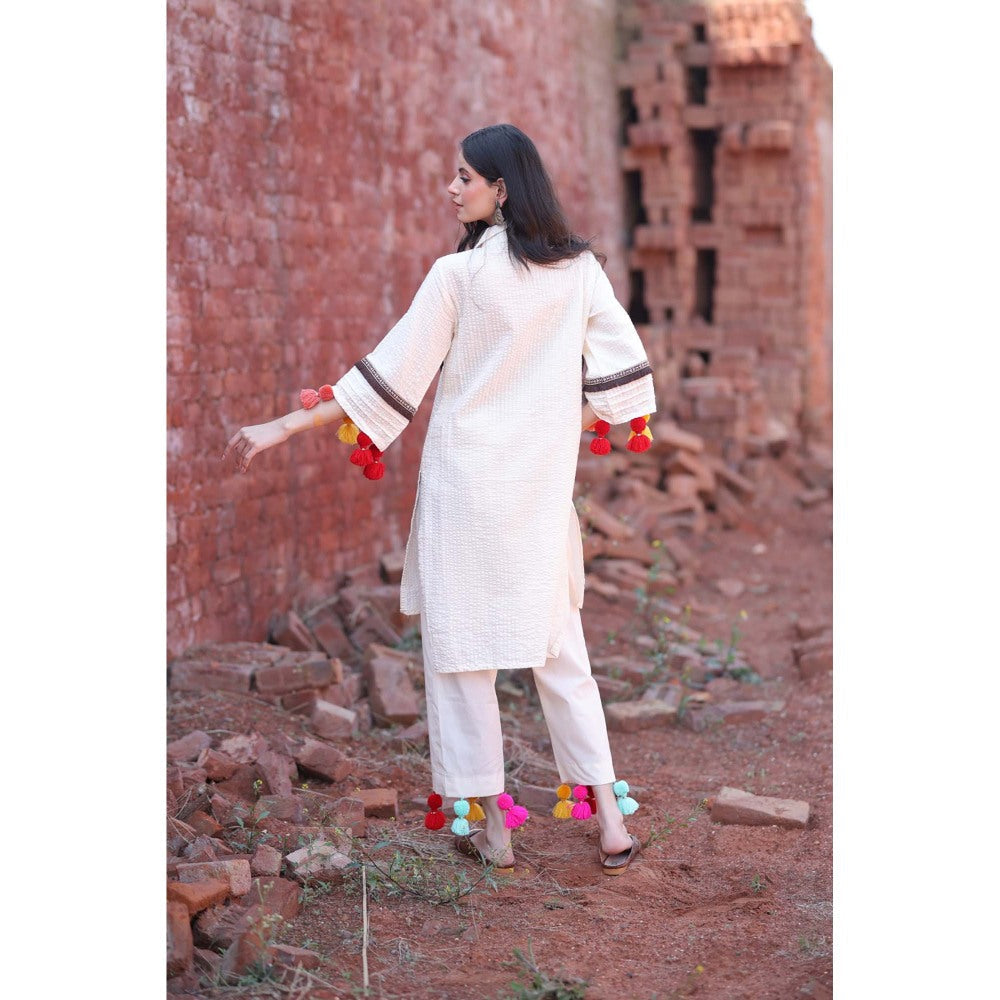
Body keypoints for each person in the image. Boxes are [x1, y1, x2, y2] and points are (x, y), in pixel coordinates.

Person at [223, 124, 655, 875]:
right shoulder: (579, 272)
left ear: (501, 189)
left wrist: (284, 425)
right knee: (561, 652)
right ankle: (611, 822)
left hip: (464, 493)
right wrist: (551, 424)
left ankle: (495, 832)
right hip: (536, 495)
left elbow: (390, 376)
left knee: (462, 663)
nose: (451, 190)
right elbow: (623, 385)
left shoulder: (458, 277)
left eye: (464, 177)